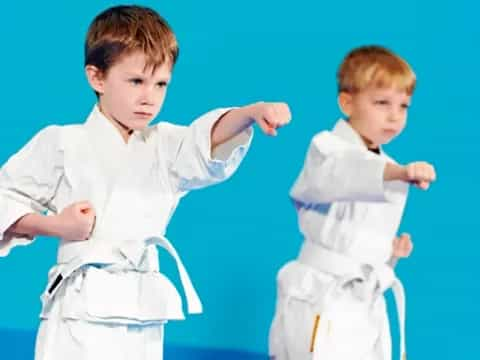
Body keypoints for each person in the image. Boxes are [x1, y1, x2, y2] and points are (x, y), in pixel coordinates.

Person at [0, 5, 291, 360]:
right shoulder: (62, 142)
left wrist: (247, 114)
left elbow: (204, 144)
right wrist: (54, 224)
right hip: (78, 309)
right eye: (136, 81)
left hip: (143, 307)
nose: (149, 97)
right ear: (97, 77)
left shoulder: (165, 145)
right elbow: (5, 196)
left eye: (161, 84)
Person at [269, 45, 436, 360]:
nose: (394, 115)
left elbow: (360, 240)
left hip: (363, 299)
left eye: (404, 106)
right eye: (382, 102)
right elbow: (342, 174)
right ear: (347, 102)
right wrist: (398, 173)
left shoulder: (388, 164)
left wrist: (390, 257)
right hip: (320, 290)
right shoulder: (327, 148)